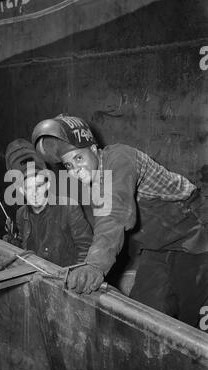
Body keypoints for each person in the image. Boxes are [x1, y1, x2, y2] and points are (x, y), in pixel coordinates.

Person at [31, 114, 208, 329]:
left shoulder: (121, 158)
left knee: (195, 323)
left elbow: (114, 214)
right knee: (144, 315)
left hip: (197, 239)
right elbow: (107, 227)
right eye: (68, 165)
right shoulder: (95, 184)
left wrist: (95, 265)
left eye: (79, 158)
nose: (75, 169)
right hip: (159, 247)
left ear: (95, 151)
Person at [4, 138, 93, 268]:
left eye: (39, 186)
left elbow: (86, 247)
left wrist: (74, 274)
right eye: (29, 188)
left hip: (64, 277)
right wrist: (14, 244)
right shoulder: (21, 214)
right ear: (21, 190)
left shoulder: (68, 207)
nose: (35, 193)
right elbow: (27, 247)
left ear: (48, 184)